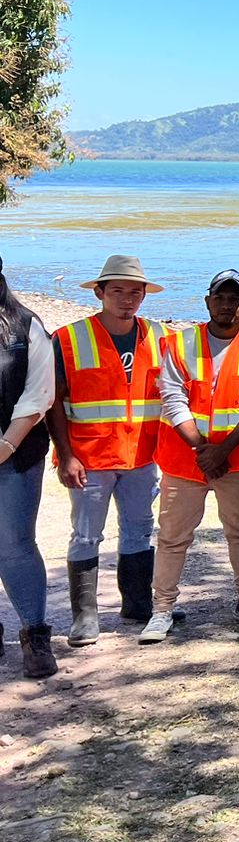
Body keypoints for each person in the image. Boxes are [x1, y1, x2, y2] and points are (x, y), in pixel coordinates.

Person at [141, 269, 239, 643]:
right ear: (207, 301)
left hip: (238, 459)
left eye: (235, 298)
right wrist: (202, 448)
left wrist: (223, 451)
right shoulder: (181, 343)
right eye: (220, 297)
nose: (227, 304)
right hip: (185, 459)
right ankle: (162, 608)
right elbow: (171, 397)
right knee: (172, 537)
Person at [46, 254, 165, 647]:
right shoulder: (67, 338)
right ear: (99, 293)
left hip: (142, 456)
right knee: (85, 535)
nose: (127, 299)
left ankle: (137, 604)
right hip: (89, 458)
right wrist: (65, 455)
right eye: (117, 291)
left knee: (138, 531)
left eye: (135, 292)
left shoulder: (160, 337)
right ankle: (85, 616)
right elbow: (53, 402)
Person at [0, 259, 58, 678]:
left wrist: (5, 444)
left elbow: (39, 394)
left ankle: (34, 635)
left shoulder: (25, 326)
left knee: (16, 546)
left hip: (15, 455)